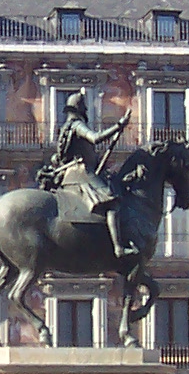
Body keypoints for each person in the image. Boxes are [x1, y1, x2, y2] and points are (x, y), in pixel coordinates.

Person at [38, 90, 136, 260]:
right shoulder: (77, 125)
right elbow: (95, 138)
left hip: (70, 174)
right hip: (81, 173)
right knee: (112, 201)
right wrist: (119, 125)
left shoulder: (66, 128)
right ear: (80, 109)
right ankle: (119, 248)